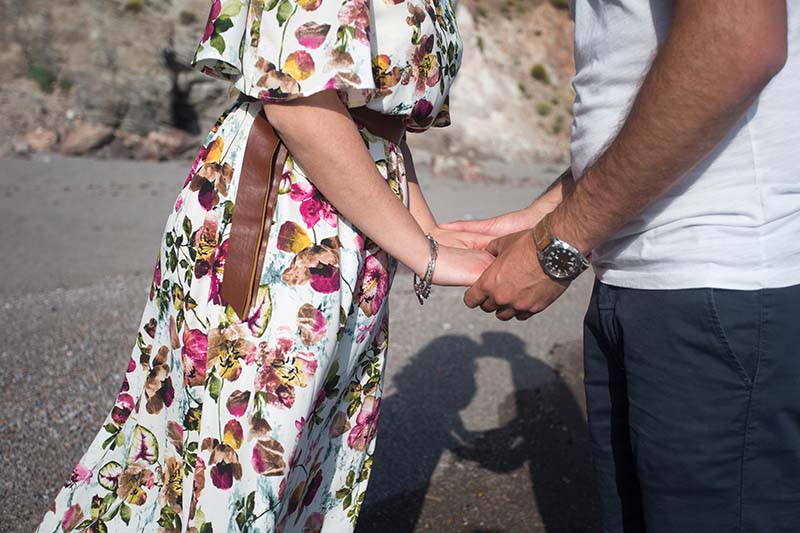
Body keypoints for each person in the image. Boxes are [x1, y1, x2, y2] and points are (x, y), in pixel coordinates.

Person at [36, 1, 492, 531]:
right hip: (280, 219)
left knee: (299, 462)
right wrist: (426, 256)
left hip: (355, 210)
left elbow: (377, 122)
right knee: (239, 465)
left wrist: (427, 232)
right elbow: (297, 100)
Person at [447, 1, 800, 531]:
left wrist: (558, 245)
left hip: (717, 286)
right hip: (644, 283)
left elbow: (738, 39)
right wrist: (543, 216)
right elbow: (642, 101)